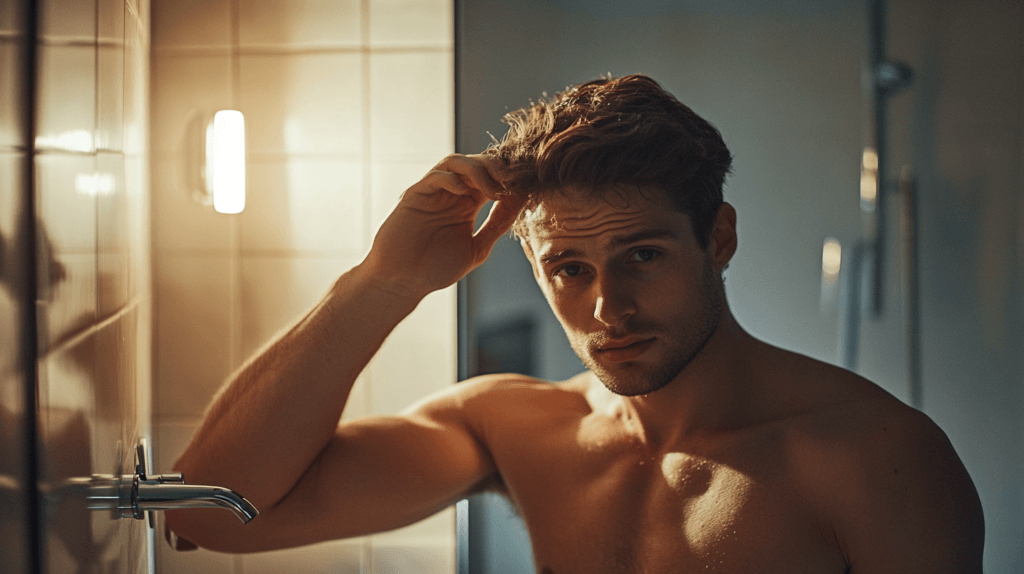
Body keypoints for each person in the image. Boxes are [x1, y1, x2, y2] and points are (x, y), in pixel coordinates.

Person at [166, 74, 984, 573]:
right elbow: (206, 514)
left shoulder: (875, 458)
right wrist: (384, 281)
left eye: (644, 256)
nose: (607, 309)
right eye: (569, 268)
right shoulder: (515, 427)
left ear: (719, 239)